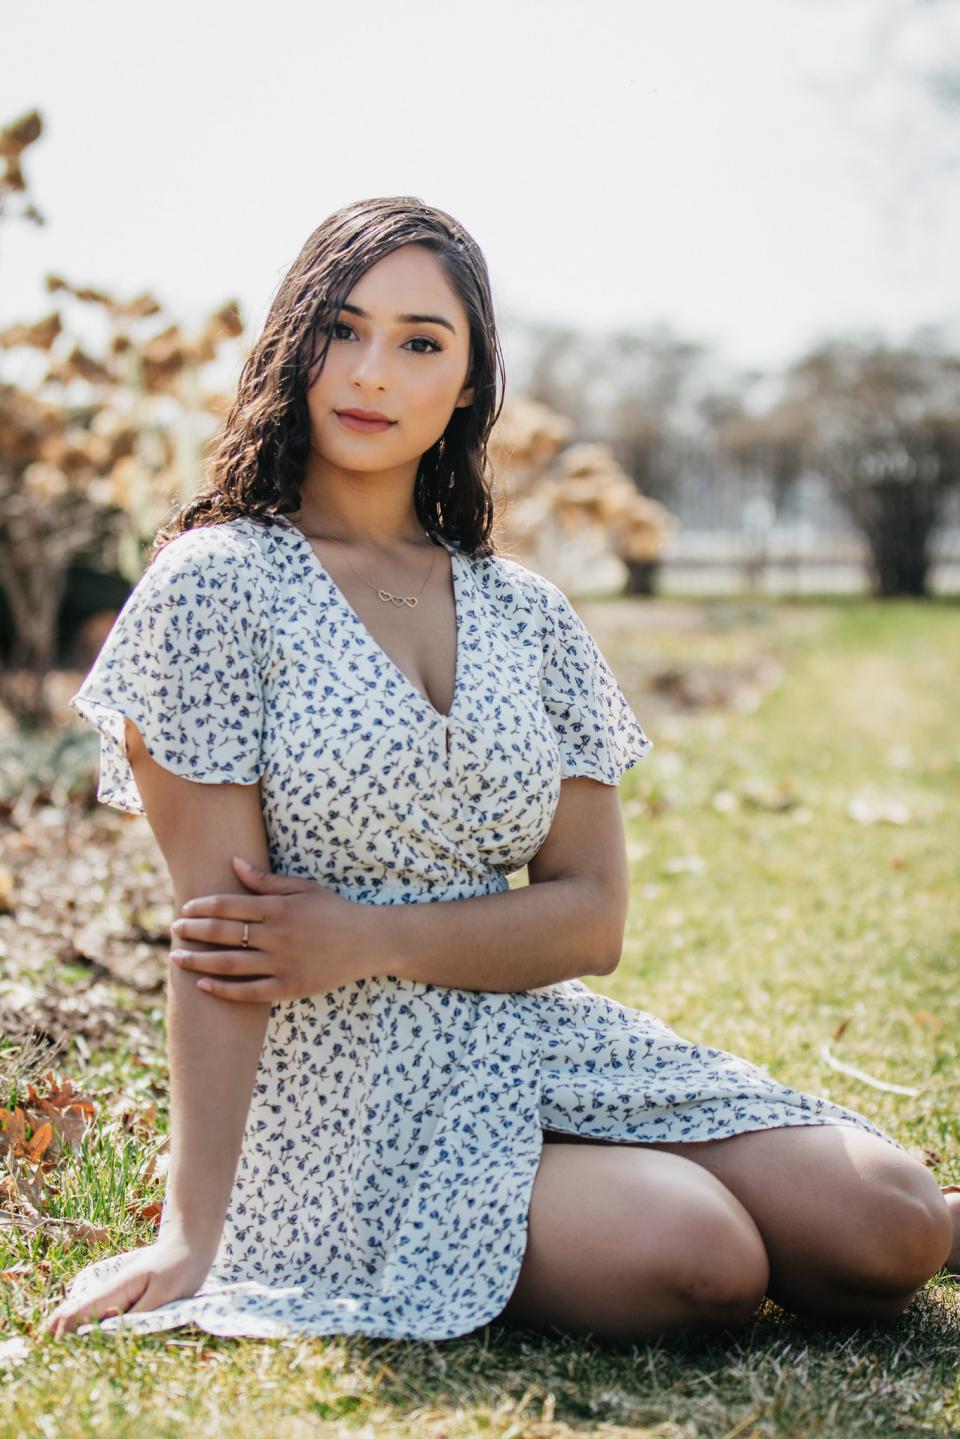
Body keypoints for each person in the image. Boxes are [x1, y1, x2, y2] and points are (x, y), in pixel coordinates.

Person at [48, 197, 958, 1344]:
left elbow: (591, 918)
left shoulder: (524, 609)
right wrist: (193, 1232)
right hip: (346, 1093)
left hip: (535, 1032)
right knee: (702, 1261)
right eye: (342, 328)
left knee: (895, 1223)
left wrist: (370, 933)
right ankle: (670, 1200)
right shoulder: (215, 584)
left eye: (421, 341)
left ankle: (738, 1192)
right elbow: (226, 945)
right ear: (294, 345)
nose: (372, 370)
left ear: (470, 383)